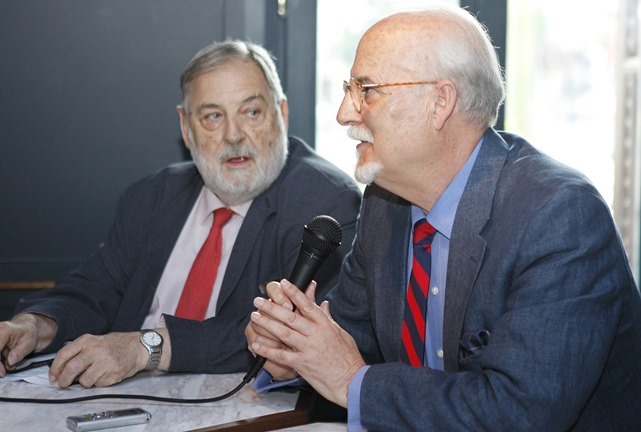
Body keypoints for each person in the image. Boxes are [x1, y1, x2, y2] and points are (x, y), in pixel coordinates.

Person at [246, 6, 641, 431]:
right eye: (349, 89)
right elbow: (348, 338)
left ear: (440, 102)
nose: (345, 112)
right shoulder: (385, 201)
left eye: (367, 90)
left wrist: (349, 380)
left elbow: (519, 415)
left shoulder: (560, 217)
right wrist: (295, 355)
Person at [0, 40, 362, 389]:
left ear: (281, 114)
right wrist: (34, 326)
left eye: (252, 112)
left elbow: (293, 329)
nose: (235, 135)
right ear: (186, 127)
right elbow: (96, 289)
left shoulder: (323, 202)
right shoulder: (153, 196)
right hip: (120, 400)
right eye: (213, 116)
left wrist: (146, 348)